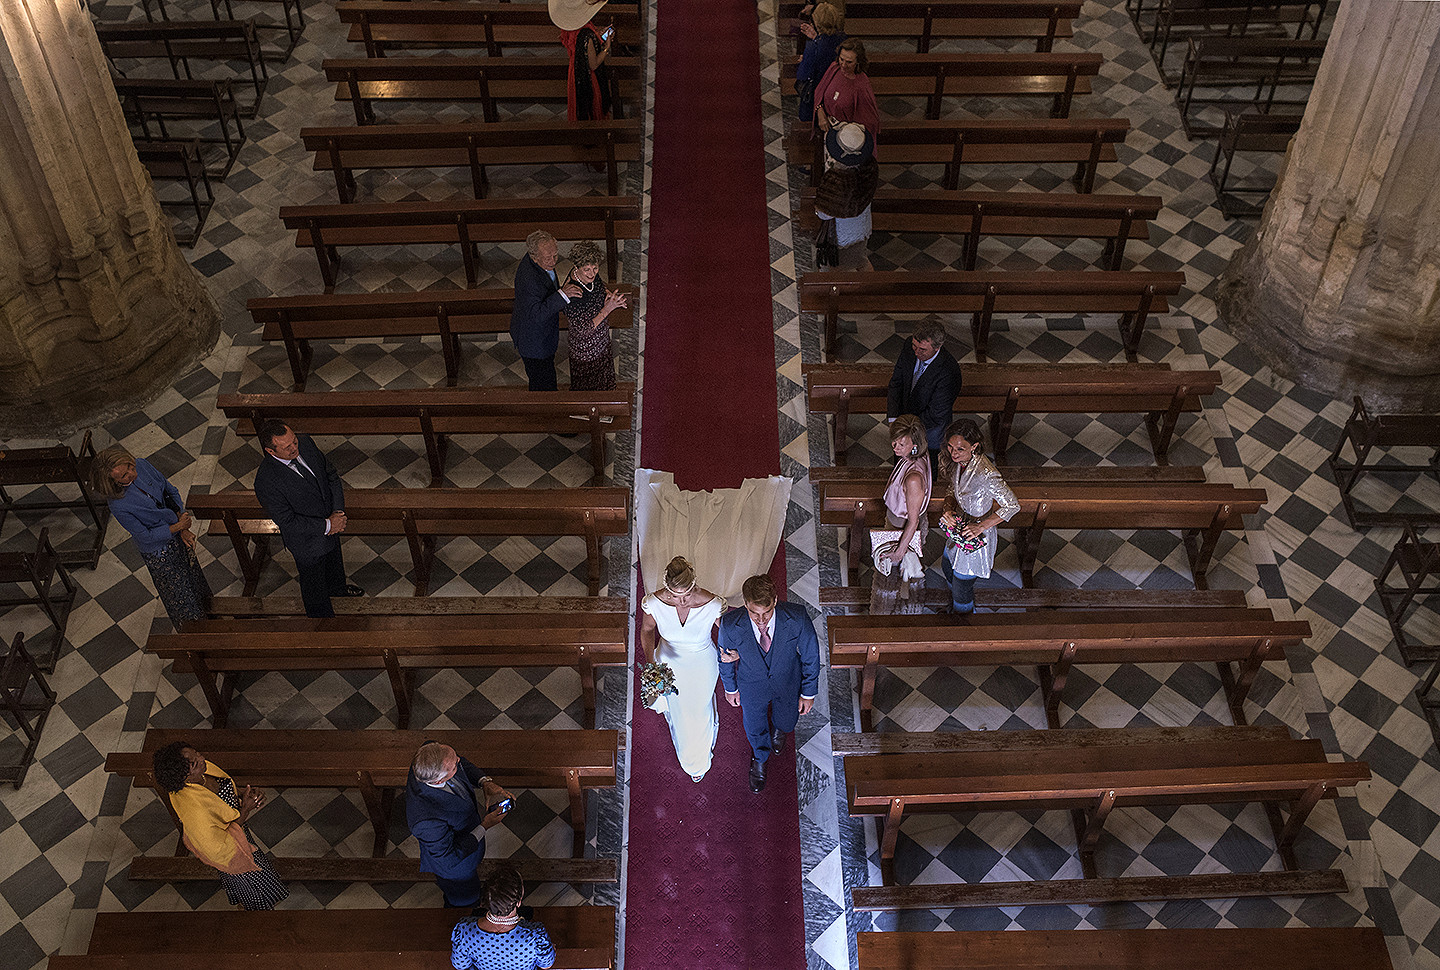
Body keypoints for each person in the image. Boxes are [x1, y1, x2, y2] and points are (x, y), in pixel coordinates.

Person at [151, 741, 288, 910]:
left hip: (239, 833)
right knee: (254, 882)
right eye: (194, 763)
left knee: (257, 861)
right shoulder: (195, 812)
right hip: (230, 852)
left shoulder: (201, 773)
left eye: (197, 753)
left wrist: (243, 793)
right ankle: (257, 908)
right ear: (184, 777)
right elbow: (220, 847)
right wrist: (245, 809)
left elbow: (224, 788)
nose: (202, 758)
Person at [718, 575, 821, 794]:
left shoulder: (797, 617)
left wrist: (808, 692)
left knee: (787, 720)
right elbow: (724, 658)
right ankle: (760, 756)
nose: (761, 620)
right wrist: (730, 688)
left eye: (766, 612)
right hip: (751, 684)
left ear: (775, 600)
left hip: (787, 681)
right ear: (745, 603)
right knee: (754, 725)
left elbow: (811, 655)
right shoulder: (730, 624)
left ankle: (780, 729)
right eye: (754, 613)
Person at [252, 419, 363, 619]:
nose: (295, 448)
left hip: (332, 526)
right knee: (315, 587)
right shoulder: (266, 481)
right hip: (307, 543)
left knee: (336, 570)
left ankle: (340, 596)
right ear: (271, 451)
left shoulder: (306, 443)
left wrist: (338, 513)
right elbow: (287, 521)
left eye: (294, 441)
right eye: (287, 447)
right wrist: (328, 524)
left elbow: (331, 475)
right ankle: (323, 623)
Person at [91, 445, 211, 626]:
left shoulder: (141, 464)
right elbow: (145, 536)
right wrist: (178, 527)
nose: (132, 473)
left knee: (194, 579)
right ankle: (195, 632)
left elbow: (170, 491)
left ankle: (211, 616)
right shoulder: (118, 505)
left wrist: (183, 523)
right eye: (124, 476)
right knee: (180, 596)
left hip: (177, 531)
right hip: (160, 552)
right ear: (112, 483)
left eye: (130, 466)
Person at [638, 556, 726, 783]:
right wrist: (651, 663)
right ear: (667, 588)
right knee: (680, 713)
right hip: (669, 661)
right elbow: (647, 630)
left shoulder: (712, 604)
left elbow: (728, 632)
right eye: (675, 596)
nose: (682, 601)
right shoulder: (654, 603)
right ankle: (687, 752)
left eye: (687, 594)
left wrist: (731, 651)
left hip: (702, 662)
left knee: (698, 712)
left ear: (694, 584)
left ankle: (701, 756)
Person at [406, 741, 514, 908]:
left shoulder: (430, 753)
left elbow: (461, 762)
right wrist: (484, 826)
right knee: (465, 900)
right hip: (457, 868)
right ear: (438, 781)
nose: (459, 760)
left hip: (466, 837)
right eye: (454, 766)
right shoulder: (426, 821)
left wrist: (485, 782)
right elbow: (449, 858)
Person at [937, 418, 1020, 615]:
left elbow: (1012, 505)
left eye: (960, 449)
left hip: (976, 533)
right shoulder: (960, 462)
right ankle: (954, 600)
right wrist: (948, 509)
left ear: (974, 446)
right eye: (950, 447)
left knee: (962, 587)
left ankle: (962, 617)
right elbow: (952, 489)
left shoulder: (986, 473)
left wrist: (980, 526)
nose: (953, 454)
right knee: (947, 566)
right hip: (959, 526)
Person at [870, 416, 933, 614]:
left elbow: (913, 521)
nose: (895, 448)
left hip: (900, 527)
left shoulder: (913, 479)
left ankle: (883, 616)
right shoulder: (914, 456)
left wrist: (899, 551)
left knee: (887, 579)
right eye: (894, 442)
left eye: (901, 444)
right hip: (896, 520)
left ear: (915, 444)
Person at [511, 230, 582, 392]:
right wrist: (562, 295)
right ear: (534, 257)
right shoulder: (529, 279)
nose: (553, 261)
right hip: (534, 342)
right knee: (543, 386)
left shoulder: (541, 262)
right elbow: (536, 313)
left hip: (543, 336)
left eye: (555, 255)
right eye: (548, 258)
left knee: (548, 377)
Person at [450, 863, 556, 970]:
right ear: (518, 902)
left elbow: (460, 965)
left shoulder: (464, 930)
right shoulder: (535, 935)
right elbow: (546, 965)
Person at [886, 319, 962, 465]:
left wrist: (908, 431)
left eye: (922, 349)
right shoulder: (909, 347)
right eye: (914, 346)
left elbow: (936, 414)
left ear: (937, 347)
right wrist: (894, 420)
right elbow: (896, 384)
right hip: (904, 423)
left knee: (923, 469)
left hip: (928, 433)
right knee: (900, 464)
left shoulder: (949, 372)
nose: (916, 352)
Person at [563, 240, 628, 391]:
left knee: (605, 383)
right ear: (576, 267)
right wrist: (608, 308)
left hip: (601, 341)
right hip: (586, 352)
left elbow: (598, 284)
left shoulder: (588, 276)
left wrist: (608, 294)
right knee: (591, 391)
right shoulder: (573, 295)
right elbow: (583, 329)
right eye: (587, 270)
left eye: (595, 268)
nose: (592, 273)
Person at [814, 121, 879, 271]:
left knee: (832, 269)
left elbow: (825, 214)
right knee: (861, 259)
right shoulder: (870, 166)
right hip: (862, 226)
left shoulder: (837, 180)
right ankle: (872, 283)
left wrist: (817, 211)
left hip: (842, 235)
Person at [551, 0, 614, 122]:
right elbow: (593, 64)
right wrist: (606, 48)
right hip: (588, 78)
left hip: (574, 71)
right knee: (591, 111)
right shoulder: (587, 35)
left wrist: (597, 35)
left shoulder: (570, 29)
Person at [813, 39, 879, 141]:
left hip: (846, 137)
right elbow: (819, 92)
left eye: (849, 62)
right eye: (841, 59)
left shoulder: (861, 84)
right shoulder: (835, 68)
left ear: (858, 61)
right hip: (826, 128)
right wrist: (820, 111)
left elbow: (869, 120)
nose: (843, 65)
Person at [795, 3, 845, 123]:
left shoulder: (813, 48)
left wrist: (805, 59)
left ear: (816, 23)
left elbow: (803, 75)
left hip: (818, 96)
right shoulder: (844, 39)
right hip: (839, 93)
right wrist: (816, 37)